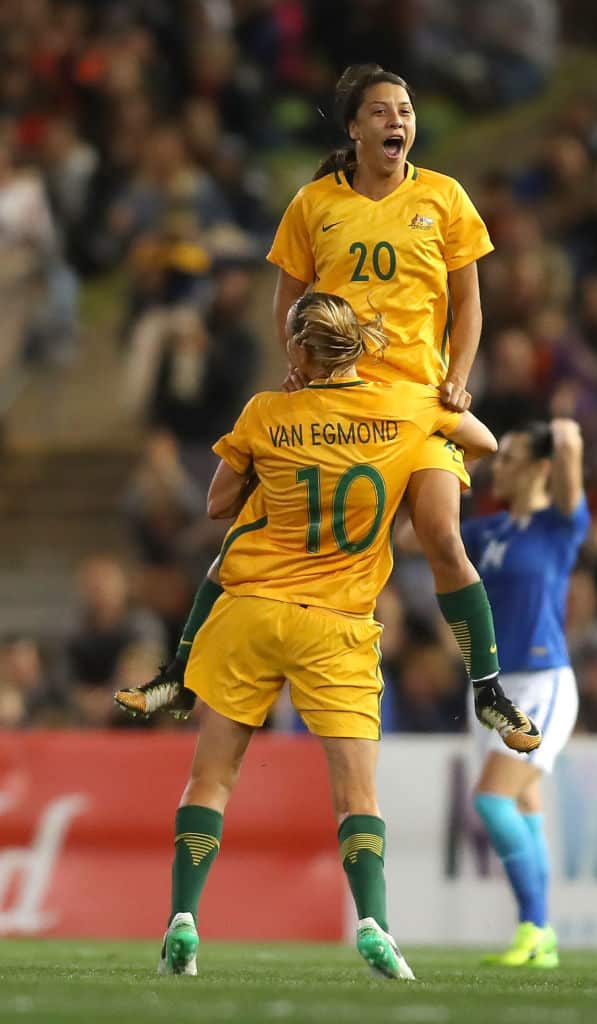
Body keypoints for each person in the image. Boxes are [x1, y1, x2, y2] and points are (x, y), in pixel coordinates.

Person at [119, 293, 538, 980]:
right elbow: (485, 444)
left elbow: (217, 503)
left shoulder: (265, 412)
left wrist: (273, 462)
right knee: (356, 798)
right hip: (335, 626)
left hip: (249, 611)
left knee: (212, 779)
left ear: (299, 353)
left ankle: (183, 921)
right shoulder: (403, 409)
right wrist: (436, 414)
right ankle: (374, 923)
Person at [118, 63, 516, 744]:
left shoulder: (444, 198)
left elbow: (469, 301)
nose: (398, 120)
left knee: (442, 533)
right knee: (247, 537)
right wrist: (293, 363)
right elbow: (287, 296)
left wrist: (457, 377)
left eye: (406, 109)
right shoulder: (313, 205)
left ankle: (487, 688)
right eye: (383, 111)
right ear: (354, 127)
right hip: (332, 399)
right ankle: (179, 673)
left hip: (412, 399)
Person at [460, 419, 589, 968]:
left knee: (492, 799)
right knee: (522, 801)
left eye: (509, 456)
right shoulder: (487, 531)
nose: (499, 465)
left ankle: (536, 926)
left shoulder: (560, 526)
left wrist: (563, 435)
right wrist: (453, 471)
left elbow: (570, 443)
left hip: (542, 682)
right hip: (491, 685)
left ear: (540, 468)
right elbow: (415, 538)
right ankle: (540, 936)